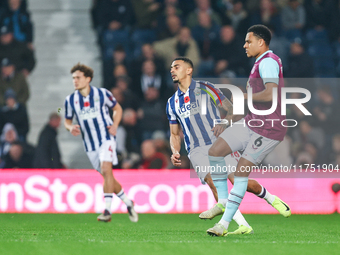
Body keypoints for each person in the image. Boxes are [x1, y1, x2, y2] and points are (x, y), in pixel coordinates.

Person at [167, 57, 290, 236]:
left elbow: (233, 109)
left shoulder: (206, 88)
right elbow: (174, 133)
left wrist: (224, 122)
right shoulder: (172, 103)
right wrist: (175, 151)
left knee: (239, 181)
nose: (172, 70)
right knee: (212, 181)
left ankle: (271, 198)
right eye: (171, 68)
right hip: (196, 149)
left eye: (176, 67)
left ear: (188, 70)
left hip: (219, 142)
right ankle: (242, 225)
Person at [206, 24, 290, 237]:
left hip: (268, 129)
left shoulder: (269, 62)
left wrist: (244, 97)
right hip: (252, 122)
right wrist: (227, 121)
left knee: (240, 173)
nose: (244, 45)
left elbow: (271, 94)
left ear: (261, 42)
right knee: (215, 152)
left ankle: (223, 225)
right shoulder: (260, 63)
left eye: (248, 41)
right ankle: (224, 202)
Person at [64, 63, 138, 223]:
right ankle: (128, 202)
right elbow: (66, 120)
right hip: (90, 145)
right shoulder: (70, 100)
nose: (75, 81)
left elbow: (118, 109)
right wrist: (70, 128)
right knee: (107, 175)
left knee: (106, 169)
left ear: (88, 78)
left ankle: (107, 210)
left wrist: (115, 125)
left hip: (106, 137)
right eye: (73, 78)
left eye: (78, 77)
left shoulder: (102, 94)